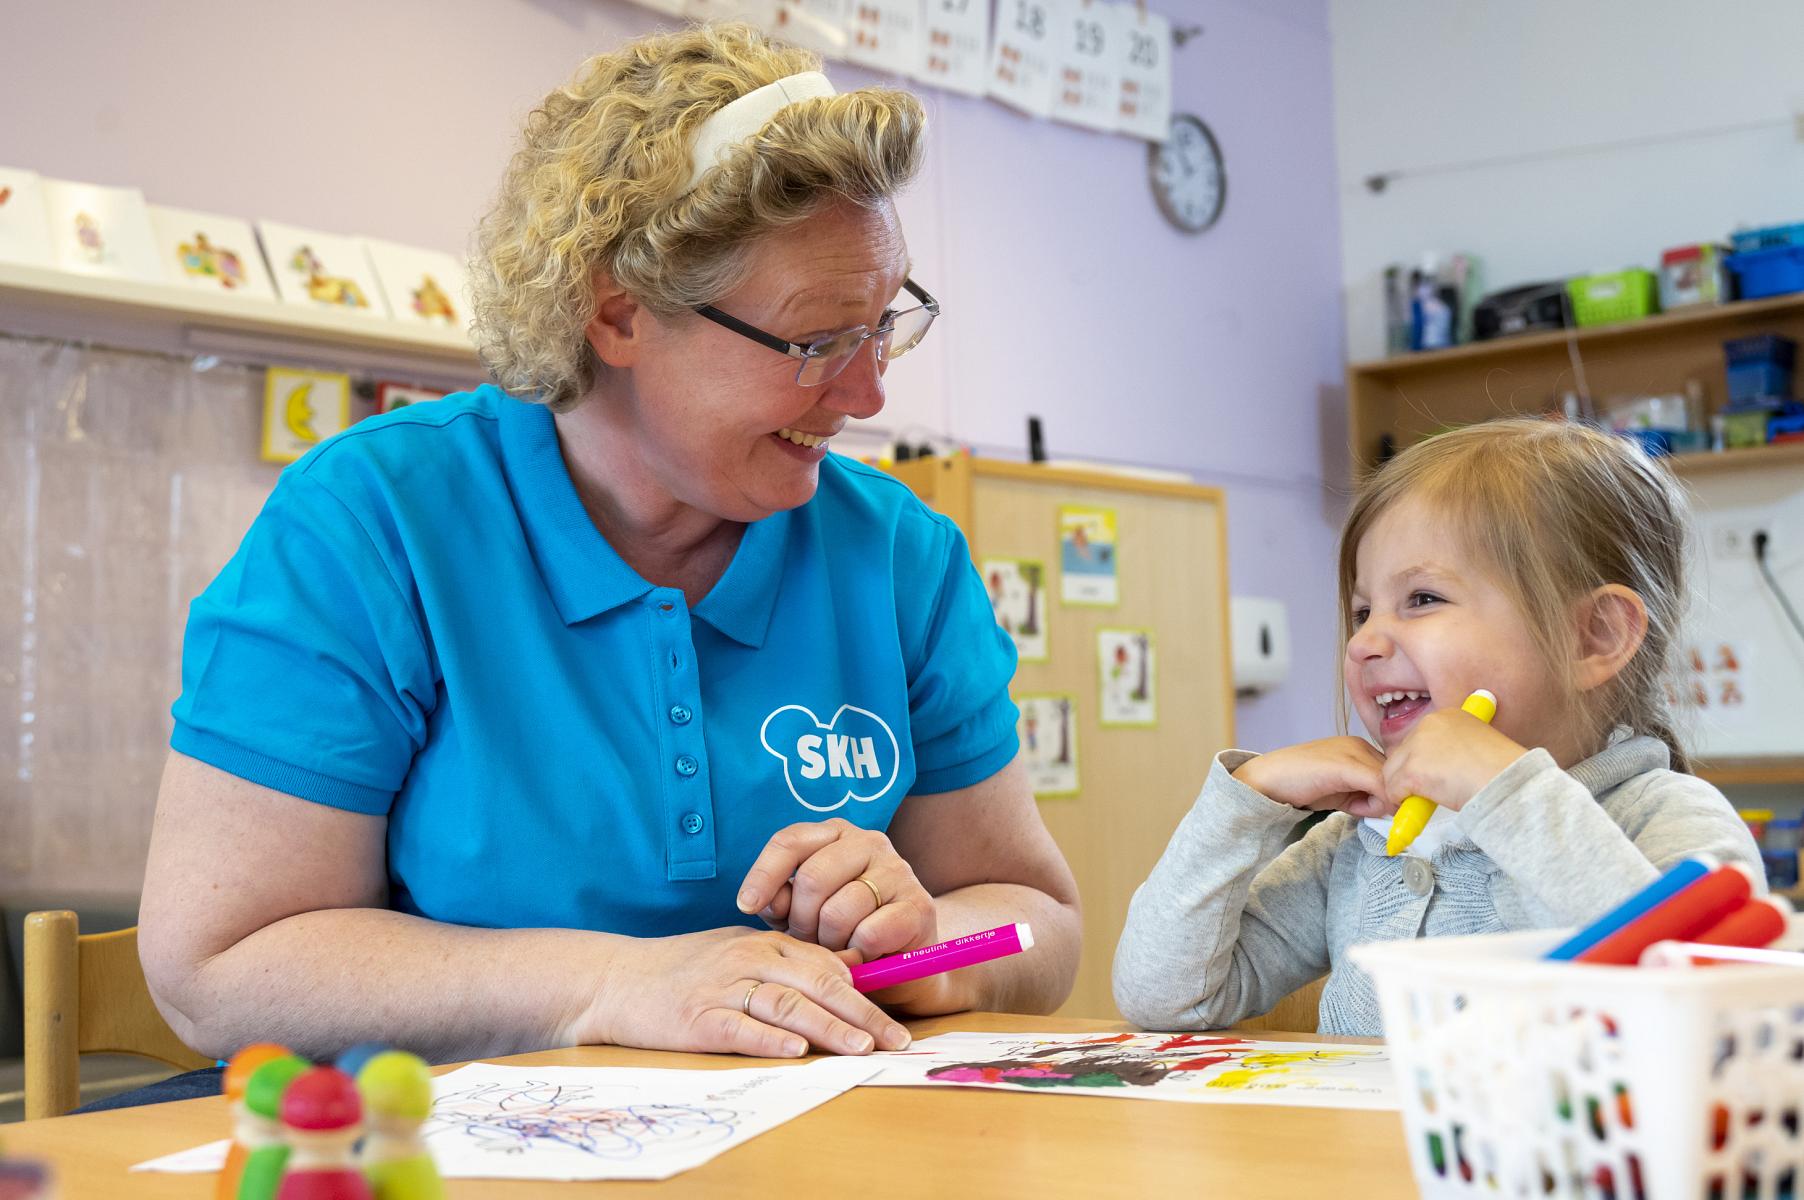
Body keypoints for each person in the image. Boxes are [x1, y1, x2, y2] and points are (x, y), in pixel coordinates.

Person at [139, 23, 1080, 1076]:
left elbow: (1041, 924)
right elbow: (215, 969)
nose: (868, 395)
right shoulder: (374, 525)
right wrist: (615, 984)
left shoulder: (897, 557)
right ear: (619, 315)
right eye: (818, 340)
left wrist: (934, 953)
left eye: (883, 323)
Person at [1113, 418, 1760, 1037]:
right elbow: (1165, 997)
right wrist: (1246, 800)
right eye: (1363, 609)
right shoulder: (1361, 840)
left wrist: (1504, 792)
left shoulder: (1669, 818)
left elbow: (1702, 1019)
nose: (1365, 640)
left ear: (1594, 637)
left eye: (1422, 599)